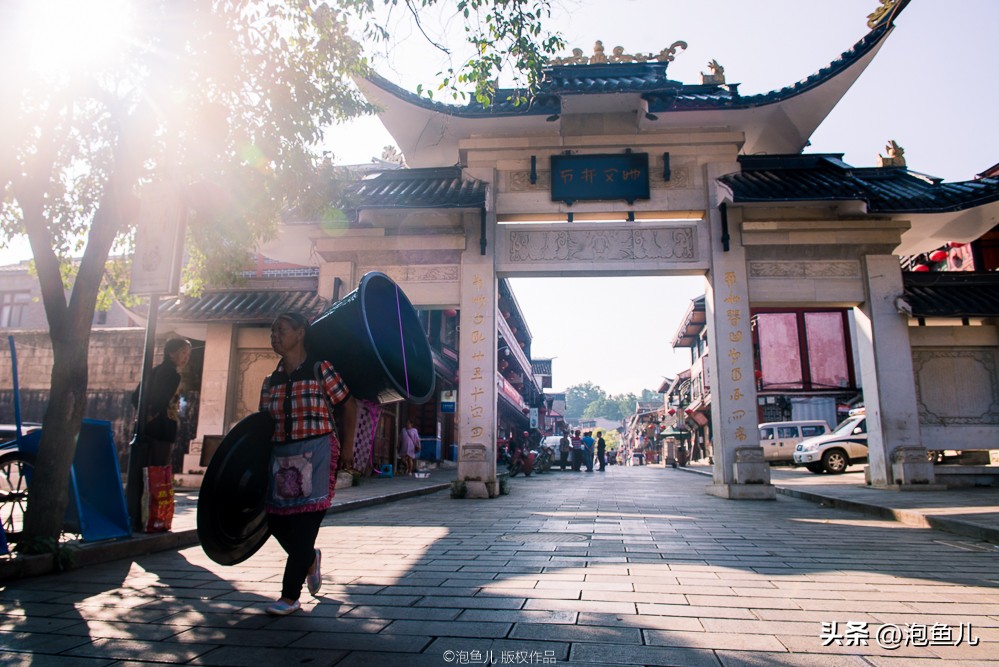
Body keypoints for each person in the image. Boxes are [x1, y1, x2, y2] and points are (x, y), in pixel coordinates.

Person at [259, 311, 357, 616]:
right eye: (272, 332)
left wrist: (348, 448)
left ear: (300, 332)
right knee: (275, 521)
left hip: (318, 453)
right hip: (281, 458)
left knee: (304, 527)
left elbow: (349, 405)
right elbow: (261, 425)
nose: (274, 336)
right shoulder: (270, 381)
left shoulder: (320, 369)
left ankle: (290, 596)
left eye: (281, 330)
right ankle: (310, 559)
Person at [138, 337, 192, 468]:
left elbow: (136, 397)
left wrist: (146, 416)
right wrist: (155, 414)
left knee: (144, 465)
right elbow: (161, 399)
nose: (186, 357)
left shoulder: (155, 370)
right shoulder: (173, 375)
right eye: (183, 352)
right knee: (158, 467)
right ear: (171, 353)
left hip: (145, 427)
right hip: (162, 427)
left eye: (188, 354)